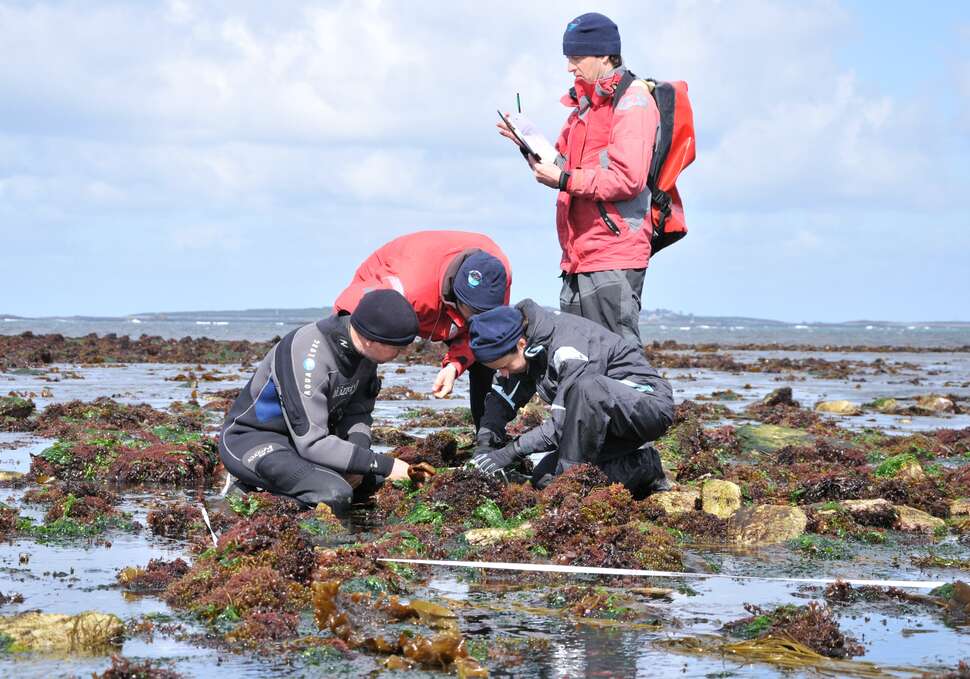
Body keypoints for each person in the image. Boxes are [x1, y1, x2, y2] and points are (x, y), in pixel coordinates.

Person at [497, 12, 659, 346]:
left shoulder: (634, 102)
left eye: (576, 58)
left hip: (613, 253)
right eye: (567, 58)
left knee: (616, 358)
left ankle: (646, 400)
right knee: (579, 357)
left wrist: (564, 179)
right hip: (577, 254)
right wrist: (527, 144)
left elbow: (628, 179)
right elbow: (565, 166)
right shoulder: (583, 108)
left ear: (605, 55)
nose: (570, 67)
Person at [219, 289, 419, 513]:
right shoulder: (308, 354)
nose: (403, 352)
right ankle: (244, 496)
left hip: (303, 446)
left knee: (377, 485)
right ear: (372, 339)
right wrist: (382, 464)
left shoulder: (365, 356)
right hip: (254, 440)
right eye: (399, 347)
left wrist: (357, 465)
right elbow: (312, 443)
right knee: (335, 494)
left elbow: (358, 413)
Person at [467, 300, 674, 498]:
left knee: (568, 482)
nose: (503, 373)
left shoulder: (568, 348)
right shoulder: (526, 346)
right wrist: (485, 444)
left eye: (504, 366)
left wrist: (511, 452)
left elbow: (563, 423)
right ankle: (640, 463)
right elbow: (502, 398)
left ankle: (643, 466)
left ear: (521, 344)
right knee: (544, 479)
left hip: (646, 406)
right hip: (597, 419)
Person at [333, 230, 512, 428]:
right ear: (455, 296)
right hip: (407, 288)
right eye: (473, 312)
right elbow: (347, 311)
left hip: (440, 294)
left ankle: (488, 439)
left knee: (487, 355)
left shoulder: (498, 276)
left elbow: (485, 329)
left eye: (483, 312)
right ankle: (341, 430)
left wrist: (454, 365)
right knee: (365, 355)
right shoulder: (405, 288)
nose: (478, 320)